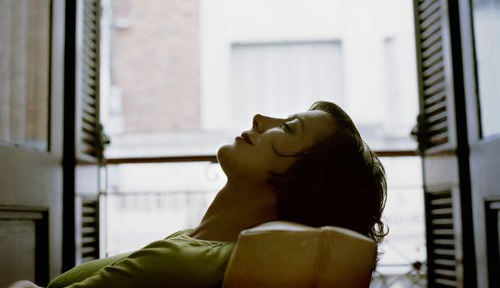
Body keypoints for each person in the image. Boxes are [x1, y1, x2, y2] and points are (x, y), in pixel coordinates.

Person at [13, 101, 387, 288]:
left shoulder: (188, 263)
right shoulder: (197, 247)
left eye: (288, 129)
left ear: (304, 181)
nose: (260, 120)